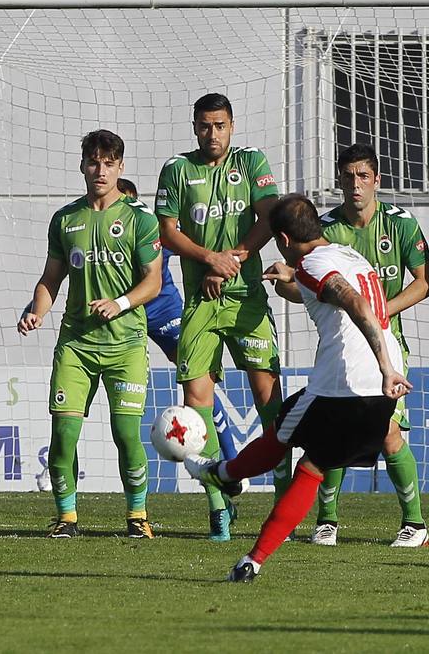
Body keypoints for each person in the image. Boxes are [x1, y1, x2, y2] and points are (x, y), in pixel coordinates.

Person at [185, 194, 412, 582]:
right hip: (377, 390)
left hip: (346, 382)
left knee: (283, 437)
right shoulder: (345, 254)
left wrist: (385, 367)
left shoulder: (312, 264)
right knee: (310, 462)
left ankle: (223, 474)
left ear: (285, 240)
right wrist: (290, 278)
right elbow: (325, 290)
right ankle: (250, 560)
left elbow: (354, 302)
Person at [19, 130, 163, 539]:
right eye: (93, 162)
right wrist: (37, 311)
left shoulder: (139, 219)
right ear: (83, 165)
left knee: (125, 434)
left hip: (126, 344)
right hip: (76, 345)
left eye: (109, 163)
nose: (100, 170)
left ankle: (138, 517)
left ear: (120, 167)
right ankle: (66, 519)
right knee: (62, 436)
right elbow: (50, 279)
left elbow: (153, 282)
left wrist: (120, 303)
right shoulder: (66, 220)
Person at [155, 93, 283, 542]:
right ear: (195, 127)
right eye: (206, 126)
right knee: (196, 404)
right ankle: (218, 505)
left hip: (245, 296)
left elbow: (271, 215)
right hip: (200, 303)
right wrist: (211, 258)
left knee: (270, 399)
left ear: (232, 125)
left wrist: (235, 258)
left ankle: (283, 501)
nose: (214, 134)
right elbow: (167, 231)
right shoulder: (177, 169)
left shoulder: (250, 162)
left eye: (221, 125)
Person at [311, 144, 429, 548]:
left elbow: (424, 281)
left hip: (388, 346)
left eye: (363, 176)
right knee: (333, 434)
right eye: (348, 176)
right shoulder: (326, 229)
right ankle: (326, 521)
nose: (355, 184)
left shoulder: (399, 223)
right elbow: (310, 284)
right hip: (341, 346)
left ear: (377, 180)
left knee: (387, 431)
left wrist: (382, 312)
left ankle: (415, 525)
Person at [117, 177, 239, 463]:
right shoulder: (101, 233)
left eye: (130, 202)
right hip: (122, 317)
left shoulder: (152, 231)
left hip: (163, 312)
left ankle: (230, 459)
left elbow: (194, 246)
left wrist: (216, 268)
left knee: (198, 383)